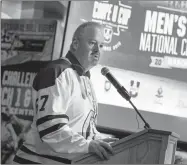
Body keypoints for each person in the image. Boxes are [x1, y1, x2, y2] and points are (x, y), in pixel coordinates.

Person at [13, 21, 118, 164]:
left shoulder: (85, 78)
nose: (97, 51)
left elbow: (82, 129)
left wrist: (103, 140)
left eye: (101, 46)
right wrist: (88, 146)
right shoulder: (57, 72)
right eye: (92, 43)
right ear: (75, 43)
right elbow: (50, 128)